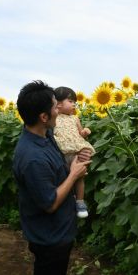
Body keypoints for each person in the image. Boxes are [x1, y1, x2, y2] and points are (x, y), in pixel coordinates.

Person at [13, 80, 91, 275]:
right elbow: (49, 203)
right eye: (55, 108)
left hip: (59, 231)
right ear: (44, 116)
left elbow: (61, 165)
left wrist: (77, 158)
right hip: (50, 238)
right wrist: (74, 174)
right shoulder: (32, 157)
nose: (60, 110)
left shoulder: (45, 137)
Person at [54, 86, 95, 218]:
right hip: (62, 152)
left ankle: (80, 201)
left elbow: (80, 133)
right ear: (58, 104)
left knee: (79, 176)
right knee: (63, 176)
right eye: (70, 101)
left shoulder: (75, 118)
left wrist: (85, 132)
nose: (74, 104)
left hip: (76, 151)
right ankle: (68, 198)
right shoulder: (53, 117)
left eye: (74, 102)